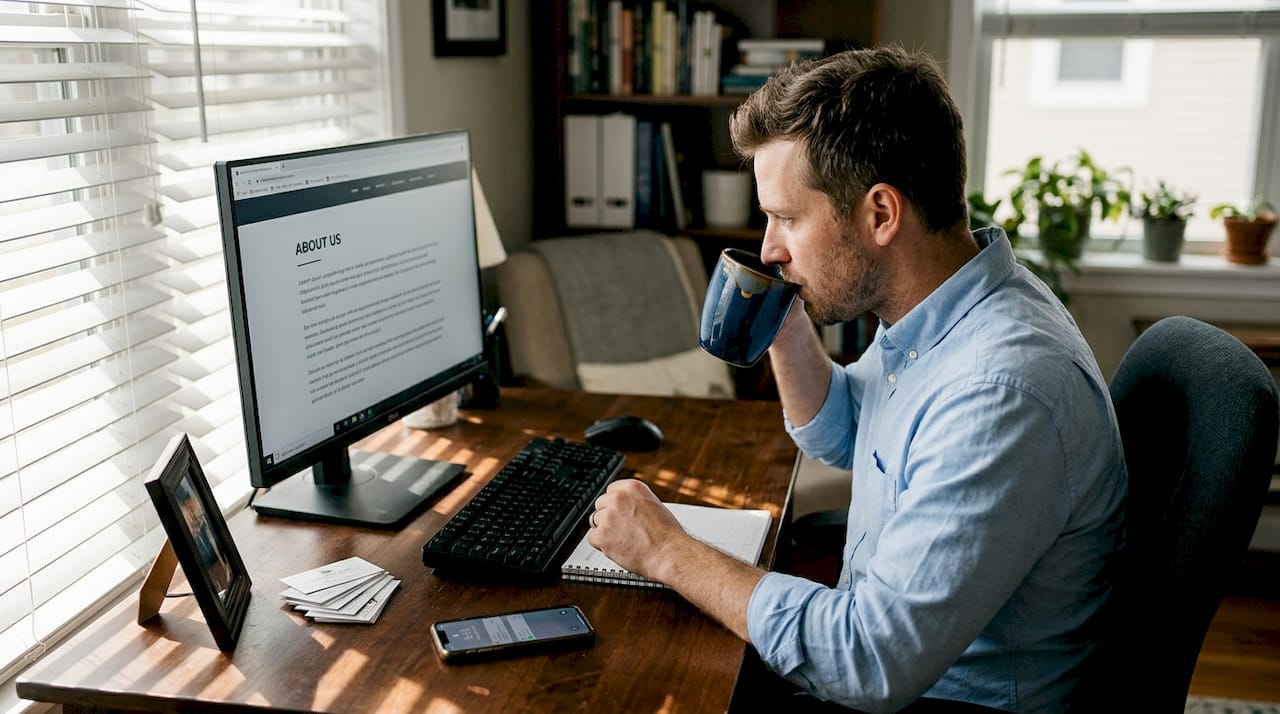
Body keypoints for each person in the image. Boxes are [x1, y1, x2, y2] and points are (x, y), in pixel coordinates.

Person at [586, 46, 1127, 713]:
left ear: (880, 215)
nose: (767, 249)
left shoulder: (1000, 392)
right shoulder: (941, 311)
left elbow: (869, 661)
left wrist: (668, 550)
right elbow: (843, 431)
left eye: (786, 217)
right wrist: (783, 319)